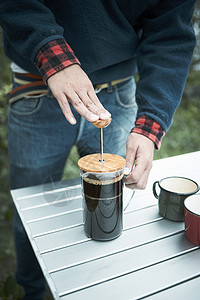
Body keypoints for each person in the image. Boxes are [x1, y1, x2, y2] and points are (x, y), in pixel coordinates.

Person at [0, 0, 196, 299]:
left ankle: (101, 285)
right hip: (37, 88)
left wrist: (150, 124)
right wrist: (55, 57)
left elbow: (170, 33)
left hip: (118, 93)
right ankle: (32, 288)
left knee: (110, 206)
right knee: (30, 208)